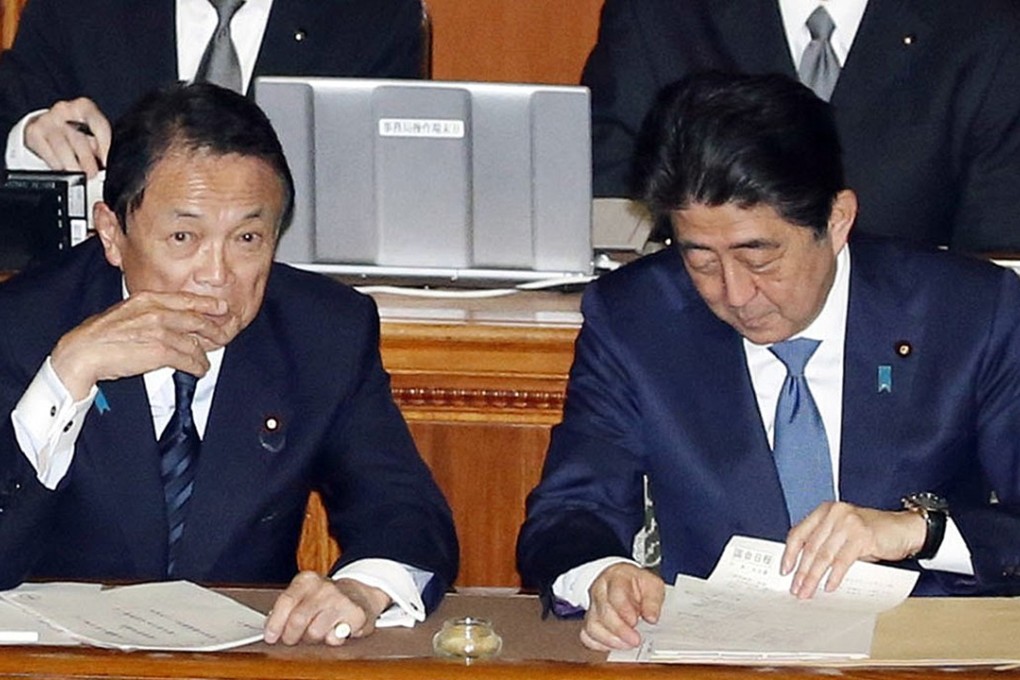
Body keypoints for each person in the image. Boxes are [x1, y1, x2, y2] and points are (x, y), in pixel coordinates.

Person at [516, 71, 1020, 652]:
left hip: (917, 653)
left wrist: (918, 531)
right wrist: (602, 573)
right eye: (700, 259)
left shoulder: (968, 313)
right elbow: (571, 511)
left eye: (758, 257)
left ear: (835, 222)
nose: (733, 293)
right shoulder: (636, 319)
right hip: (713, 658)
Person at [0, 81, 458, 646]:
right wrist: (64, 378)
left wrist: (363, 588)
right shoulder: (23, 325)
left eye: (247, 238)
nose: (216, 275)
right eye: (183, 236)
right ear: (112, 233)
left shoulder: (323, 333)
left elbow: (407, 515)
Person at [582, 0, 1020, 253]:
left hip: (912, 358)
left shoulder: (988, 25)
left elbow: (999, 253)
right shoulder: (658, 13)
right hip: (703, 347)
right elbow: (607, 210)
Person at [0, 0, 425, 176]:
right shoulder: (78, 7)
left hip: (285, 303)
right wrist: (27, 136)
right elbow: (12, 112)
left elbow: (393, 185)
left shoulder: (372, 16)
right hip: (103, 297)